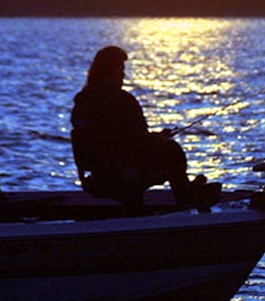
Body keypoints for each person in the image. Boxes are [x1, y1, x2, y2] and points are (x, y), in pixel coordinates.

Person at [70, 45, 203, 213]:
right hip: (123, 173)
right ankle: (187, 200)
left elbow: (125, 138)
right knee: (173, 151)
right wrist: (160, 140)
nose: (124, 74)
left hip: (98, 176)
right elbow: (135, 143)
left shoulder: (82, 102)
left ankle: (184, 194)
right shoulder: (123, 101)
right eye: (121, 69)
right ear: (110, 71)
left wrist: (155, 138)